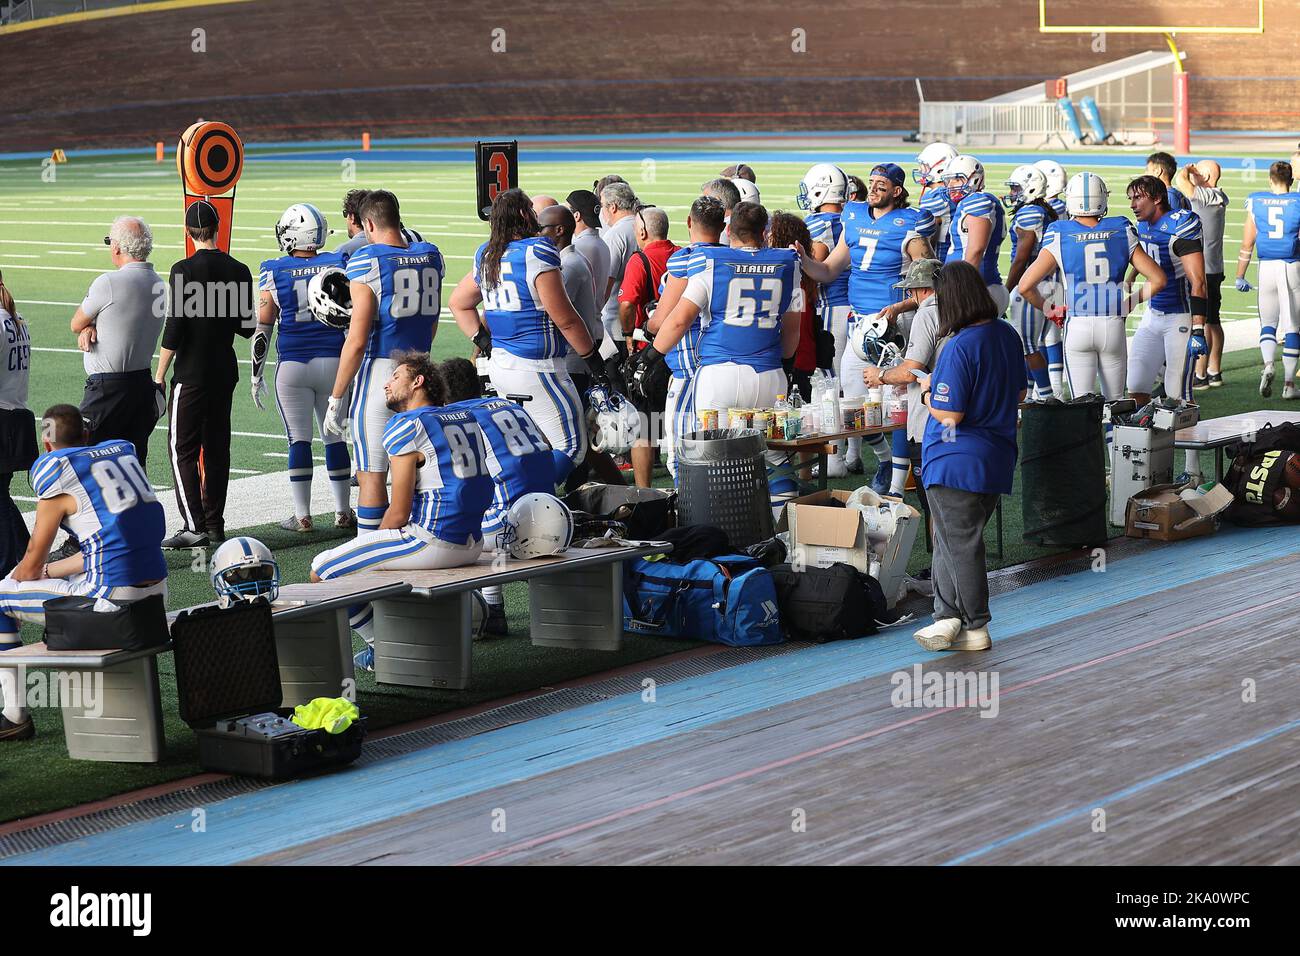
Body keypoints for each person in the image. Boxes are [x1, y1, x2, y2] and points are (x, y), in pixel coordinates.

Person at [311, 353, 494, 672]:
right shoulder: (462, 416)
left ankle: (379, 647)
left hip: (434, 542)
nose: (387, 383)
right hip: (473, 542)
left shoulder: (407, 425)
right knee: (369, 561)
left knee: (322, 569)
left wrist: (374, 543)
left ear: (417, 382)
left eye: (396, 377)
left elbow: (399, 511)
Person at [0, 404, 167, 741]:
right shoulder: (122, 453)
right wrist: (49, 571)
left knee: (1, 594)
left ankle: (13, 714)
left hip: (110, 602)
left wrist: (20, 577)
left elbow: (31, 563)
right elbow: (106, 548)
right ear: (87, 435)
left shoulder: (58, 471)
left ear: (47, 444)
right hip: (156, 594)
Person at [633, 201, 802, 510]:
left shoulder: (710, 261)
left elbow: (679, 320)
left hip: (719, 375)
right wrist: (785, 368)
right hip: (769, 376)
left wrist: (650, 358)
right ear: (765, 233)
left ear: (728, 230)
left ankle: (723, 536)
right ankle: (784, 534)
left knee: (712, 459)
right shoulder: (788, 263)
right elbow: (792, 332)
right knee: (776, 457)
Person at [448, 188, 605, 478]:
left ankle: (520, 498)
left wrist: (484, 342)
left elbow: (458, 303)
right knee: (571, 448)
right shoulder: (536, 251)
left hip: (502, 366)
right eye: (531, 211)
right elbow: (566, 319)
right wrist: (596, 363)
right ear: (523, 215)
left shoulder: (486, 254)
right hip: (538, 367)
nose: (536, 216)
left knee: (525, 445)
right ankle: (524, 495)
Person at [798, 163, 936, 491]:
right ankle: (886, 459)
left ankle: (897, 487)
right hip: (860, 323)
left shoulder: (910, 224)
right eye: (871, 182)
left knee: (899, 407)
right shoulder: (855, 216)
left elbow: (930, 282)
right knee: (854, 406)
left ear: (898, 191)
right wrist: (803, 260)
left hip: (895, 324)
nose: (873, 188)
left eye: (881, 184)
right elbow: (830, 269)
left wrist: (899, 307)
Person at [912, 263, 1026, 654]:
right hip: (996, 454)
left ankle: (975, 623)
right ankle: (947, 617)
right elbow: (1021, 394)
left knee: (959, 544)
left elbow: (950, 413)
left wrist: (927, 393)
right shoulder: (1006, 334)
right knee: (948, 540)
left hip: (955, 457)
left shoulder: (959, 345)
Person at [324, 189, 445, 533]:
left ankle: (371, 559)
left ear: (369, 224)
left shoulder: (367, 260)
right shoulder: (431, 255)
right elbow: (432, 320)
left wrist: (336, 397)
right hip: (421, 371)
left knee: (371, 475)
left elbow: (357, 339)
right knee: (416, 468)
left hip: (380, 374)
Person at [156, 199, 256, 548]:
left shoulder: (183, 270)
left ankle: (194, 525)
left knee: (181, 448)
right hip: (223, 372)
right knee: (217, 449)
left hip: (191, 373)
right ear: (217, 228)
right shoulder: (239, 269)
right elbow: (247, 327)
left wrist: (158, 374)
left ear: (188, 232)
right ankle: (214, 525)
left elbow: (175, 327)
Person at [1018, 172, 1165, 400]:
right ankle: (1114, 437)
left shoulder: (1059, 232)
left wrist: (1051, 310)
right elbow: (1158, 279)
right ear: (1102, 199)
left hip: (1078, 324)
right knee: (1116, 404)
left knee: (1082, 406)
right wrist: (1130, 302)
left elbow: (1026, 286)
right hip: (1112, 325)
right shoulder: (1121, 228)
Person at [254, 203, 356, 532]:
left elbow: (263, 329)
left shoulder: (275, 270)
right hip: (334, 362)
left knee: (298, 441)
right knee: (335, 437)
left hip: (294, 366)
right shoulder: (337, 262)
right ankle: (343, 512)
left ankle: (303, 516)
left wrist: (256, 375)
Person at [441, 357, 557, 636]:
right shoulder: (509, 405)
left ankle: (488, 610)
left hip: (513, 528)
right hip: (553, 515)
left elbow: (462, 486)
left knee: (442, 528)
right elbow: (548, 448)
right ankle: (492, 606)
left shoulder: (457, 420)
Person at [71, 217, 167, 468]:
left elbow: (75, 323)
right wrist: (92, 325)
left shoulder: (109, 282)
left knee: (86, 462)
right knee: (133, 467)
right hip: (141, 386)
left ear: (117, 247)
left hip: (107, 390)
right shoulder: (159, 283)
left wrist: (88, 324)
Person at [541, 203, 622, 489]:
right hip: (581, 354)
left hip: (573, 359)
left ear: (559, 230)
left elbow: (551, 312)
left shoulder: (568, 266)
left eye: (543, 229)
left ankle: (577, 492)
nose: (538, 234)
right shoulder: (574, 260)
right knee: (579, 436)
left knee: (573, 438)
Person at [648, 195, 726, 481]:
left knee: (682, 456)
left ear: (689, 222)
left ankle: (694, 519)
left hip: (690, 368)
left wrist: (649, 321)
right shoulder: (730, 257)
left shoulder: (685, 259)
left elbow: (664, 321)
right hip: (725, 364)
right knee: (723, 449)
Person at [863, 258, 942, 523]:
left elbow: (912, 371)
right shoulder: (965, 308)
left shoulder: (927, 315)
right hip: (969, 419)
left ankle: (940, 565)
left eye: (911, 290)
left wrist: (881, 376)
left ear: (921, 289)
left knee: (935, 504)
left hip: (931, 421)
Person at [1124, 176, 1207, 408]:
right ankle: (1150, 444)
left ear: (1158, 198)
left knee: (1178, 395)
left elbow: (1198, 281)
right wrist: (1131, 277)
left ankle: (1193, 446)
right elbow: (1148, 260)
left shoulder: (1180, 224)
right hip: (1152, 315)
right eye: (1131, 198)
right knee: (1136, 387)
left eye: (1138, 198)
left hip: (1180, 317)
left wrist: (1199, 329)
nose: (1132, 205)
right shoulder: (1142, 225)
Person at [618, 206, 679, 487]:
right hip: (682, 348)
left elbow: (628, 303)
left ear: (642, 231)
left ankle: (644, 492)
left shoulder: (639, 260)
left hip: (649, 349)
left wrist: (628, 333)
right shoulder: (682, 253)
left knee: (643, 423)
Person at [1235, 161, 1300, 399]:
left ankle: (1269, 364)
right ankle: (1290, 385)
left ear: (1270, 179)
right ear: (1291, 180)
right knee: (1292, 326)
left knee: (1268, 323)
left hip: (1266, 267)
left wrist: (1240, 275)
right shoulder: (1298, 201)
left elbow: (1246, 243)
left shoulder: (1256, 201)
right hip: (1292, 266)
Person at [1002, 165, 1058, 402]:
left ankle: (1046, 399)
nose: (1013, 193)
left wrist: (1007, 289)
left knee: (1026, 346)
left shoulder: (1030, 213)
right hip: (1050, 283)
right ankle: (1029, 396)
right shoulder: (1043, 210)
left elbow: (1022, 256)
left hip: (1034, 284)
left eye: (1016, 188)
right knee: (1032, 344)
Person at [797, 163, 852, 379]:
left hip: (832, 304)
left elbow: (815, 263)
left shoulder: (819, 224)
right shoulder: (850, 219)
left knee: (831, 380)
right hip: (852, 303)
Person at [1178, 161, 1229, 390]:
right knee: (1213, 321)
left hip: (1204, 270)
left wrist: (1188, 169)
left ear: (1206, 174)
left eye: (1199, 169)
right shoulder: (1218, 196)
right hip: (1214, 267)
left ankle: (1200, 373)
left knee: (1204, 322)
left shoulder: (1206, 195)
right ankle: (1214, 371)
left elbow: (1181, 181)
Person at [942, 155, 1008, 315]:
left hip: (977, 289)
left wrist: (961, 288)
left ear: (974, 179)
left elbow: (977, 249)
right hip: (980, 287)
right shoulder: (974, 201)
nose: (950, 185)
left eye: (957, 179)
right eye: (949, 180)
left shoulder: (977, 201)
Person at [0, 274, 34, 575]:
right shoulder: (15, 318)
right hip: (14, 415)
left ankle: (13, 564)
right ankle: (27, 556)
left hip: (2, 416)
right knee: (1, 497)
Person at [768, 212, 820, 405]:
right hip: (804, 360)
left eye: (771, 234)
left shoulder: (790, 278)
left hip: (793, 361)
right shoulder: (804, 274)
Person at [1033, 160, 1070, 397]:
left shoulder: (1043, 210)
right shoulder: (1063, 207)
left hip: (1043, 276)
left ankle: (1045, 388)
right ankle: (1054, 385)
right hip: (1059, 277)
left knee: (1039, 336)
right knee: (1051, 334)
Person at [597, 182, 641, 371]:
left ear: (612, 207)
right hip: (641, 321)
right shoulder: (643, 225)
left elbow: (606, 282)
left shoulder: (615, 235)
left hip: (617, 325)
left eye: (603, 206)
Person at [914, 142, 958, 261]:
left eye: (924, 166)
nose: (920, 170)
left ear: (940, 169)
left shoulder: (935, 196)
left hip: (941, 260)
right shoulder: (955, 192)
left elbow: (925, 239)